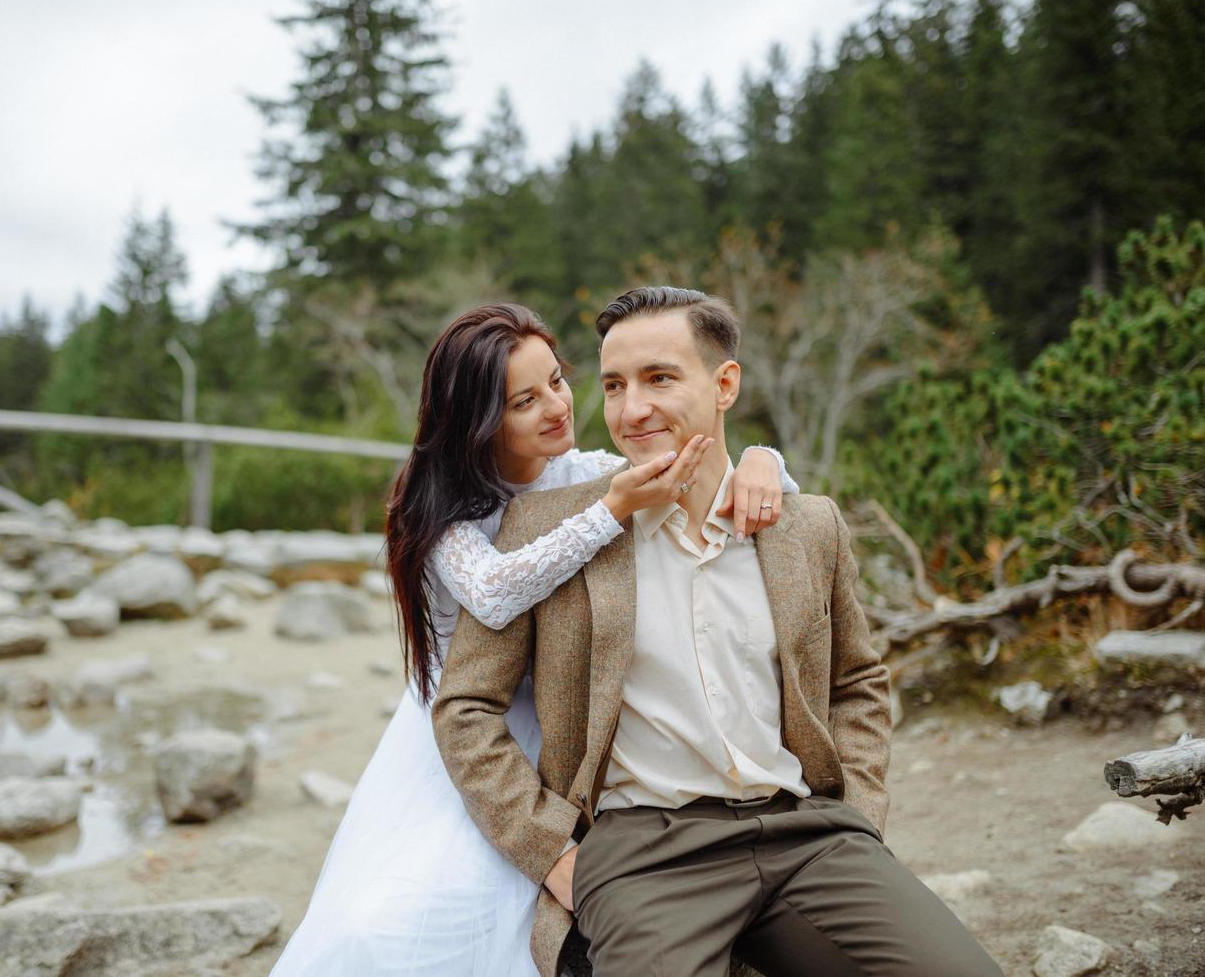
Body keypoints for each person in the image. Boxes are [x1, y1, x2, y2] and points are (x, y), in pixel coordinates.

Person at [432, 287, 1004, 977]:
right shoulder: (549, 528)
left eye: (660, 378)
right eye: (614, 386)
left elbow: (858, 682)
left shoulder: (807, 525)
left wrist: (858, 812)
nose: (631, 408)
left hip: (810, 835)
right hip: (645, 854)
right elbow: (465, 707)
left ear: (724, 383)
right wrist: (549, 853)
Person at [269, 303, 799, 976]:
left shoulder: (581, 469)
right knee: (417, 912)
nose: (557, 407)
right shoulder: (437, 505)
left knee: (564, 907)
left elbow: (697, 466)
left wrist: (762, 460)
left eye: (556, 381)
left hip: (562, 706)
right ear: (479, 423)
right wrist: (612, 511)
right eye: (525, 400)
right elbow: (493, 594)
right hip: (471, 721)